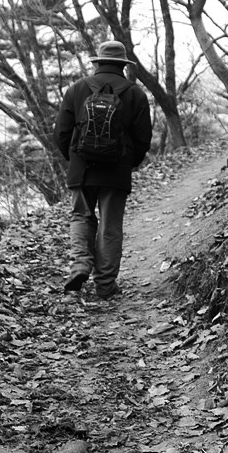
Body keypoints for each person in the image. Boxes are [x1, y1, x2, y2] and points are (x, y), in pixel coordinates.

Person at [54, 41, 153, 299]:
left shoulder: (76, 89)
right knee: (110, 225)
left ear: (97, 62)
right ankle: (106, 285)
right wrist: (128, 162)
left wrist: (75, 158)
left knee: (81, 216)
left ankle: (80, 264)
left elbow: (61, 133)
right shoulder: (135, 94)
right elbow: (143, 139)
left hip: (81, 168)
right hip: (116, 170)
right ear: (123, 65)